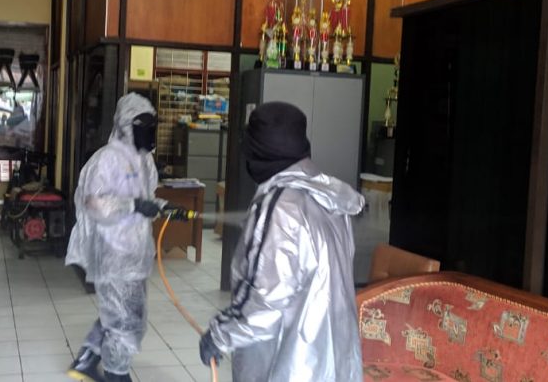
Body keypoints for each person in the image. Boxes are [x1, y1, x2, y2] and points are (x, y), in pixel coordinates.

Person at [199, 102, 365, 381]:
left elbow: (264, 300)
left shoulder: (279, 207)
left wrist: (219, 335)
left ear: (260, 153)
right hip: (333, 359)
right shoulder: (331, 199)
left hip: (292, 363)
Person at [65, 93, 187, 382]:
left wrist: (163, 207)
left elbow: (146, 198)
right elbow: (93, 203)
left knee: (124, 313)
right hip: (112, 251)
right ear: (125, 125)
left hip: (136, 250)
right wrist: (133, 205)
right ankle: (116, 374)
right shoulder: (106, 159)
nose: (150, 131)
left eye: (153, 124)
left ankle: (86, 360)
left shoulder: (145, 160)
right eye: (143, 125)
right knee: (125, 319)